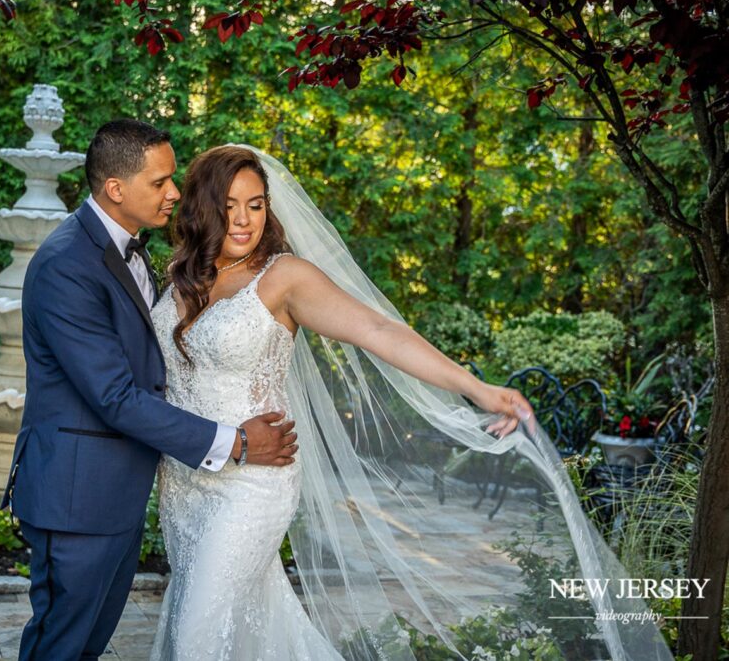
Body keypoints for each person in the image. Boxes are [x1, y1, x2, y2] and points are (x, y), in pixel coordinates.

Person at [148, 145, 674, 660]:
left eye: (256, 204)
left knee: (200, 629)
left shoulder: (283, 277)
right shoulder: (178, 276)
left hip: (254, 484)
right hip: (188, 481)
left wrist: (478, 388)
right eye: (229, 204)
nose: (244, 220)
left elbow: (379, 330)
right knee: (240, 624)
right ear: (202, 207)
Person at [2, 122, 299, 661]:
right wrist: (234, 442)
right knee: (60, 646)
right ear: (116, 188)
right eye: (161, 181)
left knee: (84, 645)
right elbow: (114, 396)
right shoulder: (67, 264)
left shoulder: (133, 253)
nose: (175, 194)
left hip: (115, 494)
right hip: (77, 498)